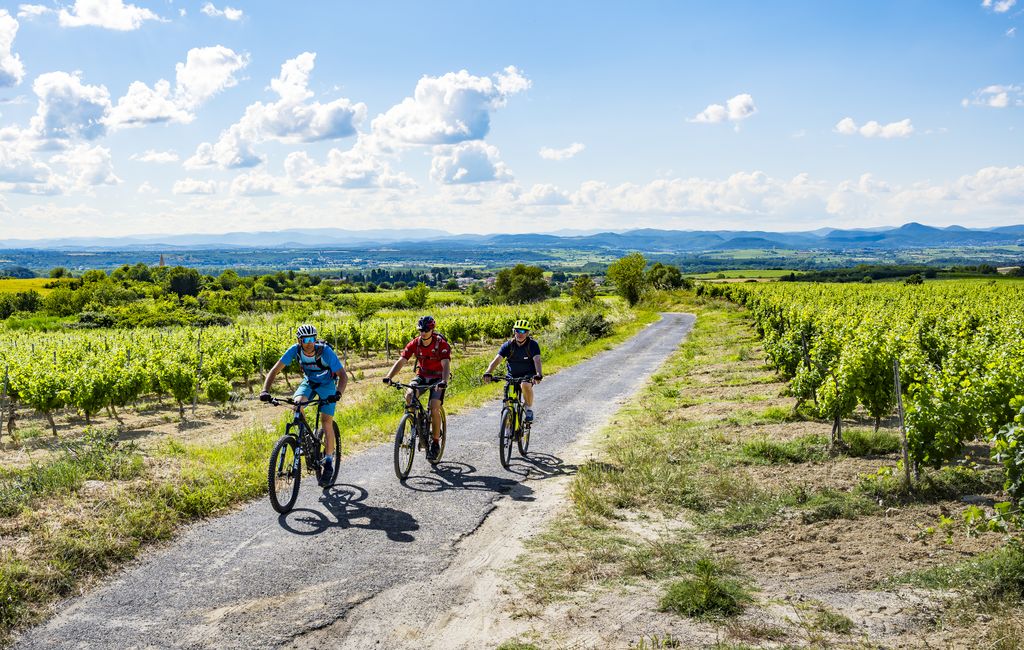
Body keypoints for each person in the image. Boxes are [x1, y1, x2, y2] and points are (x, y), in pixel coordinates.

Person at [260, 324, 347, 486]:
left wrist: (338, 393)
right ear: (299, 340)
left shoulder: (325, 352)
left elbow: (343, 375)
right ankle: (306, 442)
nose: (309, 342)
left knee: (326, 421)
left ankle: (328, 461)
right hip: (309, 382)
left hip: (327, 385)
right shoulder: (295, 350)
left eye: (312, 338)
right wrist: (265, 390)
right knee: (297, 405)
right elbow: (275, 369)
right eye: (305, 339)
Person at [382, 315, 451, 461]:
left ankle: (436, 442)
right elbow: (402, 361)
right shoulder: (415, 343)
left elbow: (445, 365)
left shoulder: (441, 344)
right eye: (421, 330)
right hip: (422, 375)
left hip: (438, 378)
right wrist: (389, 377)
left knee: (434, 407)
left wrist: (444, 381)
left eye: (426, 330)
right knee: (409, 395)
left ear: (432, 329)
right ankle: (415, 424)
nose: (423, 333)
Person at [482, 319, 542, 422]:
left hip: (527, 375)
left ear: (527, 333)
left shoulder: (532, 345)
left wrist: (538, 374)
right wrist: (488, 372)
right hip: (512, 376)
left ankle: (528, 409)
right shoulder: (508, 345)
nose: (519, 334)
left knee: (525, 385)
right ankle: (507, 427)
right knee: (508, 398)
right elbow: (496, 360)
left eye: (523, 331)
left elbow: (537, 360)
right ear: (514, 331)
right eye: (517, 330)